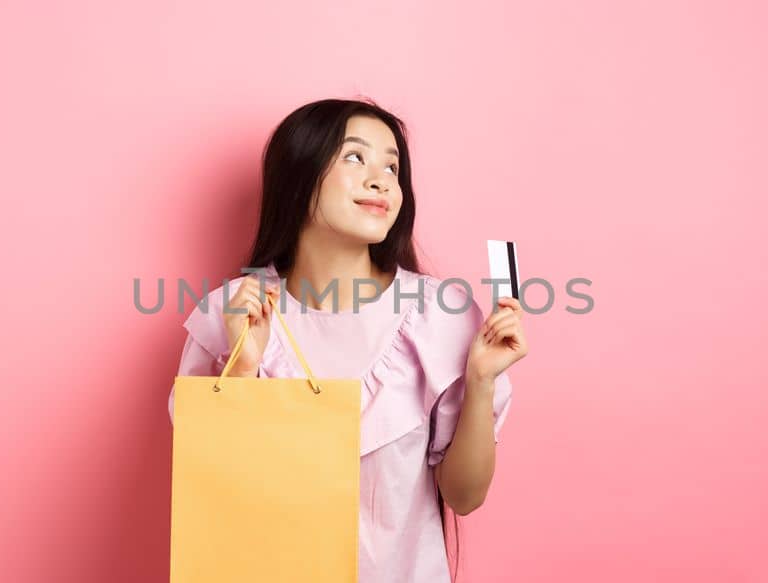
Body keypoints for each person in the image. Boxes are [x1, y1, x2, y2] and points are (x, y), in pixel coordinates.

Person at [168, 98, 526, 582]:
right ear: (299, 174)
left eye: (392, 166)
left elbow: (464, 497)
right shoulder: (231, 312)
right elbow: (217, 488)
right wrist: (246, 369)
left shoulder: (442, 316)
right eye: (354, 157)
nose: (380, 179)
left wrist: (481, 381)